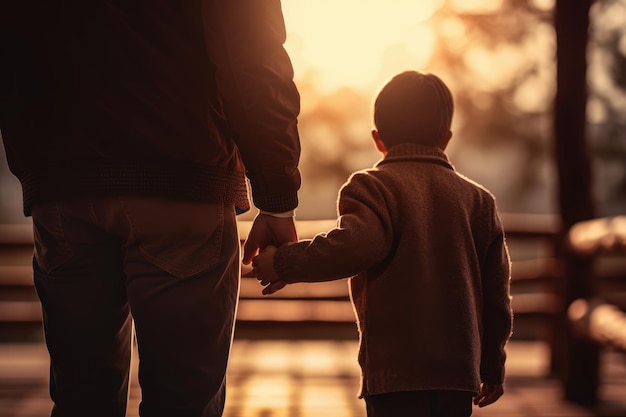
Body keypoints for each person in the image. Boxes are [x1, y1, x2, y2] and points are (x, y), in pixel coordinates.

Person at [0, 2, 300, 417]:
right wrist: (277, 195)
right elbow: (251, 53)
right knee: (184, 402)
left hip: (63, 188)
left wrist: (36, 165)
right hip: (182, 178)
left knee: (80, 399)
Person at [252, 70, 513, 417]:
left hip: (395, 372)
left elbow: (355, 246)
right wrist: (492, 365)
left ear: (378, 139)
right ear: (446, 138)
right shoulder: (479, 201)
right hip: (458, 374)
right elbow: (497, 294)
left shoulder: (372, 188)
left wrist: (284, 262)